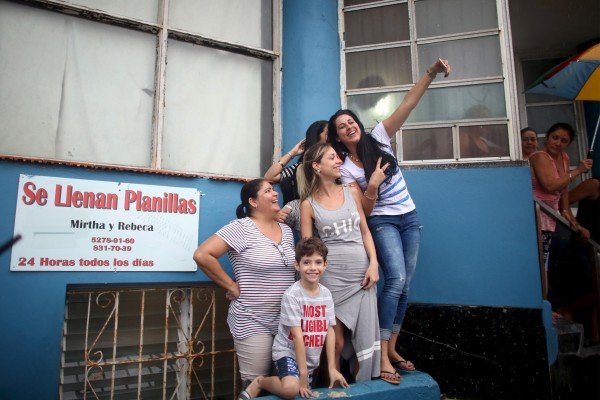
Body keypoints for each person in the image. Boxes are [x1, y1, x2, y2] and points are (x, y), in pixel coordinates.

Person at [327, 59, 451, 378]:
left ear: (357, 123)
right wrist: (373, 186)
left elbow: (408, 104)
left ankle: (392, 345)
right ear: (338, 137)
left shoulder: (380, 137)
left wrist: (430, 73)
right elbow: (364, 214)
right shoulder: (346, 170)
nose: (349, 127)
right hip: (383, 223)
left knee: (405, 284)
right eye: (341, 127)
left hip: (410, 217)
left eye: (350, 121)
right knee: (394, 279)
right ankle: (382, 356)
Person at [193, 179, 296, 388]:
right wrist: (232, 286)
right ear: (253, 201)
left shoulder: (285, 230)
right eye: (268, 191)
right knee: (254, 384)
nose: (275, 194)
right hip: (253, 320)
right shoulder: (241, 227)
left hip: (286, 320)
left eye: (274, 189)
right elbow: (203, 255)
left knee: (285, 384)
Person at [297, 143, 384, 383]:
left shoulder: (352, 191)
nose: (339, 162)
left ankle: (363, 388)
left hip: (363, 277)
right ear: (317, 166)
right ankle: (330, 389)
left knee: (364, 341)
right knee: (336, 344)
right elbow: (307, 247)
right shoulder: (308, 204)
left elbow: (365, 232)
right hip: (331, 279)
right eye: (333, 158)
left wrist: (374, 263)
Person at [239, 237, 349, 400]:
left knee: (302, 394)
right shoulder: (292, 295)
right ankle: (259, 382)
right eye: (306, 262)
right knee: (292, 389)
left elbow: (329, 330)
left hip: (311, 356)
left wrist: (332, 367)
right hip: (287, 353)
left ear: (325, 265)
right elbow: (297, 336)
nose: (313, 268)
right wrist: (303, 374)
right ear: (297, 265)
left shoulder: (326, 294)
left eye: (318, 262)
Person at [529, 122, 593, 268]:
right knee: (538, 264)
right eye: (554, 137)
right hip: (536, 215)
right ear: (547, 137)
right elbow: (550, 186)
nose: (557, 143)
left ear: (568, 144)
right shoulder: (540, 156)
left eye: (563, 141)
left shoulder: (564, 158)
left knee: (544, 263)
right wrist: (577, 171)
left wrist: (573, 222)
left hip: (550, 217)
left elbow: (563, 192)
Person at [264, 121, 329, 232]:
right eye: (329, 133)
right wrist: (293, 153)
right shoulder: (300, 168)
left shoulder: (340, 163)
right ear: (317, 139)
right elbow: (269, 177)